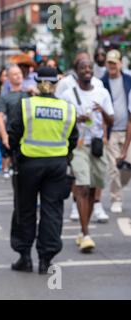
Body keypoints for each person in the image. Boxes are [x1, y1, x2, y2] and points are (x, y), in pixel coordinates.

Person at [8, 67, 79, 274]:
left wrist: (16, 154)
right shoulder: (67, 108)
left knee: (25, 209)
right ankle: (46, 260)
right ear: (55, 83)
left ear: (37, 82)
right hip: (56, 165)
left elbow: (14, 134)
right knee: (52, 211)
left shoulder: (26, 105)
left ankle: (25, 257)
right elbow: (73, 138)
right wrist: (64, 155)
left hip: (29, 164)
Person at [60, 57, 114, 253]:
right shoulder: (67, 95)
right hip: (78, 146)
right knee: (82, 186)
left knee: (93, 190)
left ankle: (84, 232)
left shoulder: (102, 92)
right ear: (76, 71)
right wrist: (77, 118)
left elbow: (112, 119)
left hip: (97, 146)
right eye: (83, 68)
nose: (87, 70)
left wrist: (101, 112)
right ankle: (86, 233)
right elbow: (62, 121)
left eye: (89, 67)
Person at [101, 49, 131, 214]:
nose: (111, 66)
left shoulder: (129, 80)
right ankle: (116, 198)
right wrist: (103, 133)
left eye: (114, 63)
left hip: (128, 129)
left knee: (127, 167)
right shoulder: (101, 82)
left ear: (120, 63)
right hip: (111, 131)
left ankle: (120, 187)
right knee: (113, 168)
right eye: (109, 63)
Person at [0, 65, 29, 178]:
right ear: (9, 78)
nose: (18, 76)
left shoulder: (30, 93)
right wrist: (4, 136)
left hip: (29, 135)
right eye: (14, 74)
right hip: (14, 134)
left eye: (19, 73)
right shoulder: (5, 96)